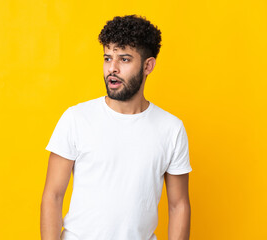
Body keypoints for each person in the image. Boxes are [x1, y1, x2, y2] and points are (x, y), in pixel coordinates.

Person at [41, 14, 192, 240]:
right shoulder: (77, 118)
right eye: (107, 58)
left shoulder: (171, 129)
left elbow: (179, 205)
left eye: (124, 59)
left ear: (148, 65)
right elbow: (52, 196)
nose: (112, 68)